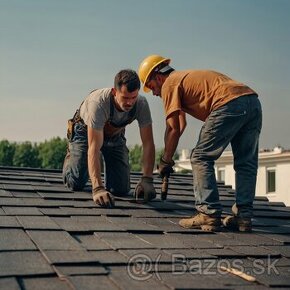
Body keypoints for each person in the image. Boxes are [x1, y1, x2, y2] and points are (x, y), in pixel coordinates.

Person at [138, 55, 262, 232]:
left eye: (151, 87)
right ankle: (244, 217)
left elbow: (172, 129)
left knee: (200, 157)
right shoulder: (182, 79)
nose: (155, 93)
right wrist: (167, 158)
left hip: (228, 103)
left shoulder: (170, 84)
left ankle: (208, 213)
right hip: (252, 101)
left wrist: (165, 160)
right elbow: (180, 125)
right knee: (246, 163)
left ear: (158, 77)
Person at [63, 69, 156, 207]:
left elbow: (148, 143)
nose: (130, 103)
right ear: (114, 92)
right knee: (75, 183)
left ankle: (98, 168)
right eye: (125, 98)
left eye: (133, 97)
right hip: (85, 132)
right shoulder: (98, 103)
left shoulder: (141, 104)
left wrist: (147, 179)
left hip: (114, 134)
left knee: (120, 189)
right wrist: (98, 188)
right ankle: (73, 160)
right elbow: (94, 148)